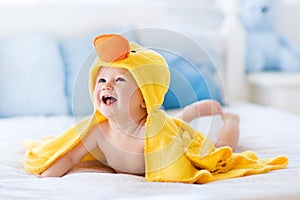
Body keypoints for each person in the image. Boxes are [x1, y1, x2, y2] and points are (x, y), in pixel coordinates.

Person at [24, 34, 287, 183]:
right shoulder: (98, 131)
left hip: (170, 133)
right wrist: (45, 181)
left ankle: (232, 119)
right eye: (102, 80)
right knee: (173, 121)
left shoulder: (155, 134)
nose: (107, 85)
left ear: (144, 98)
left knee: (217, 149)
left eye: (120, 80)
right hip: (160, 122)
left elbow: (176, 155)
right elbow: (69, 156)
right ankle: (192, 111)